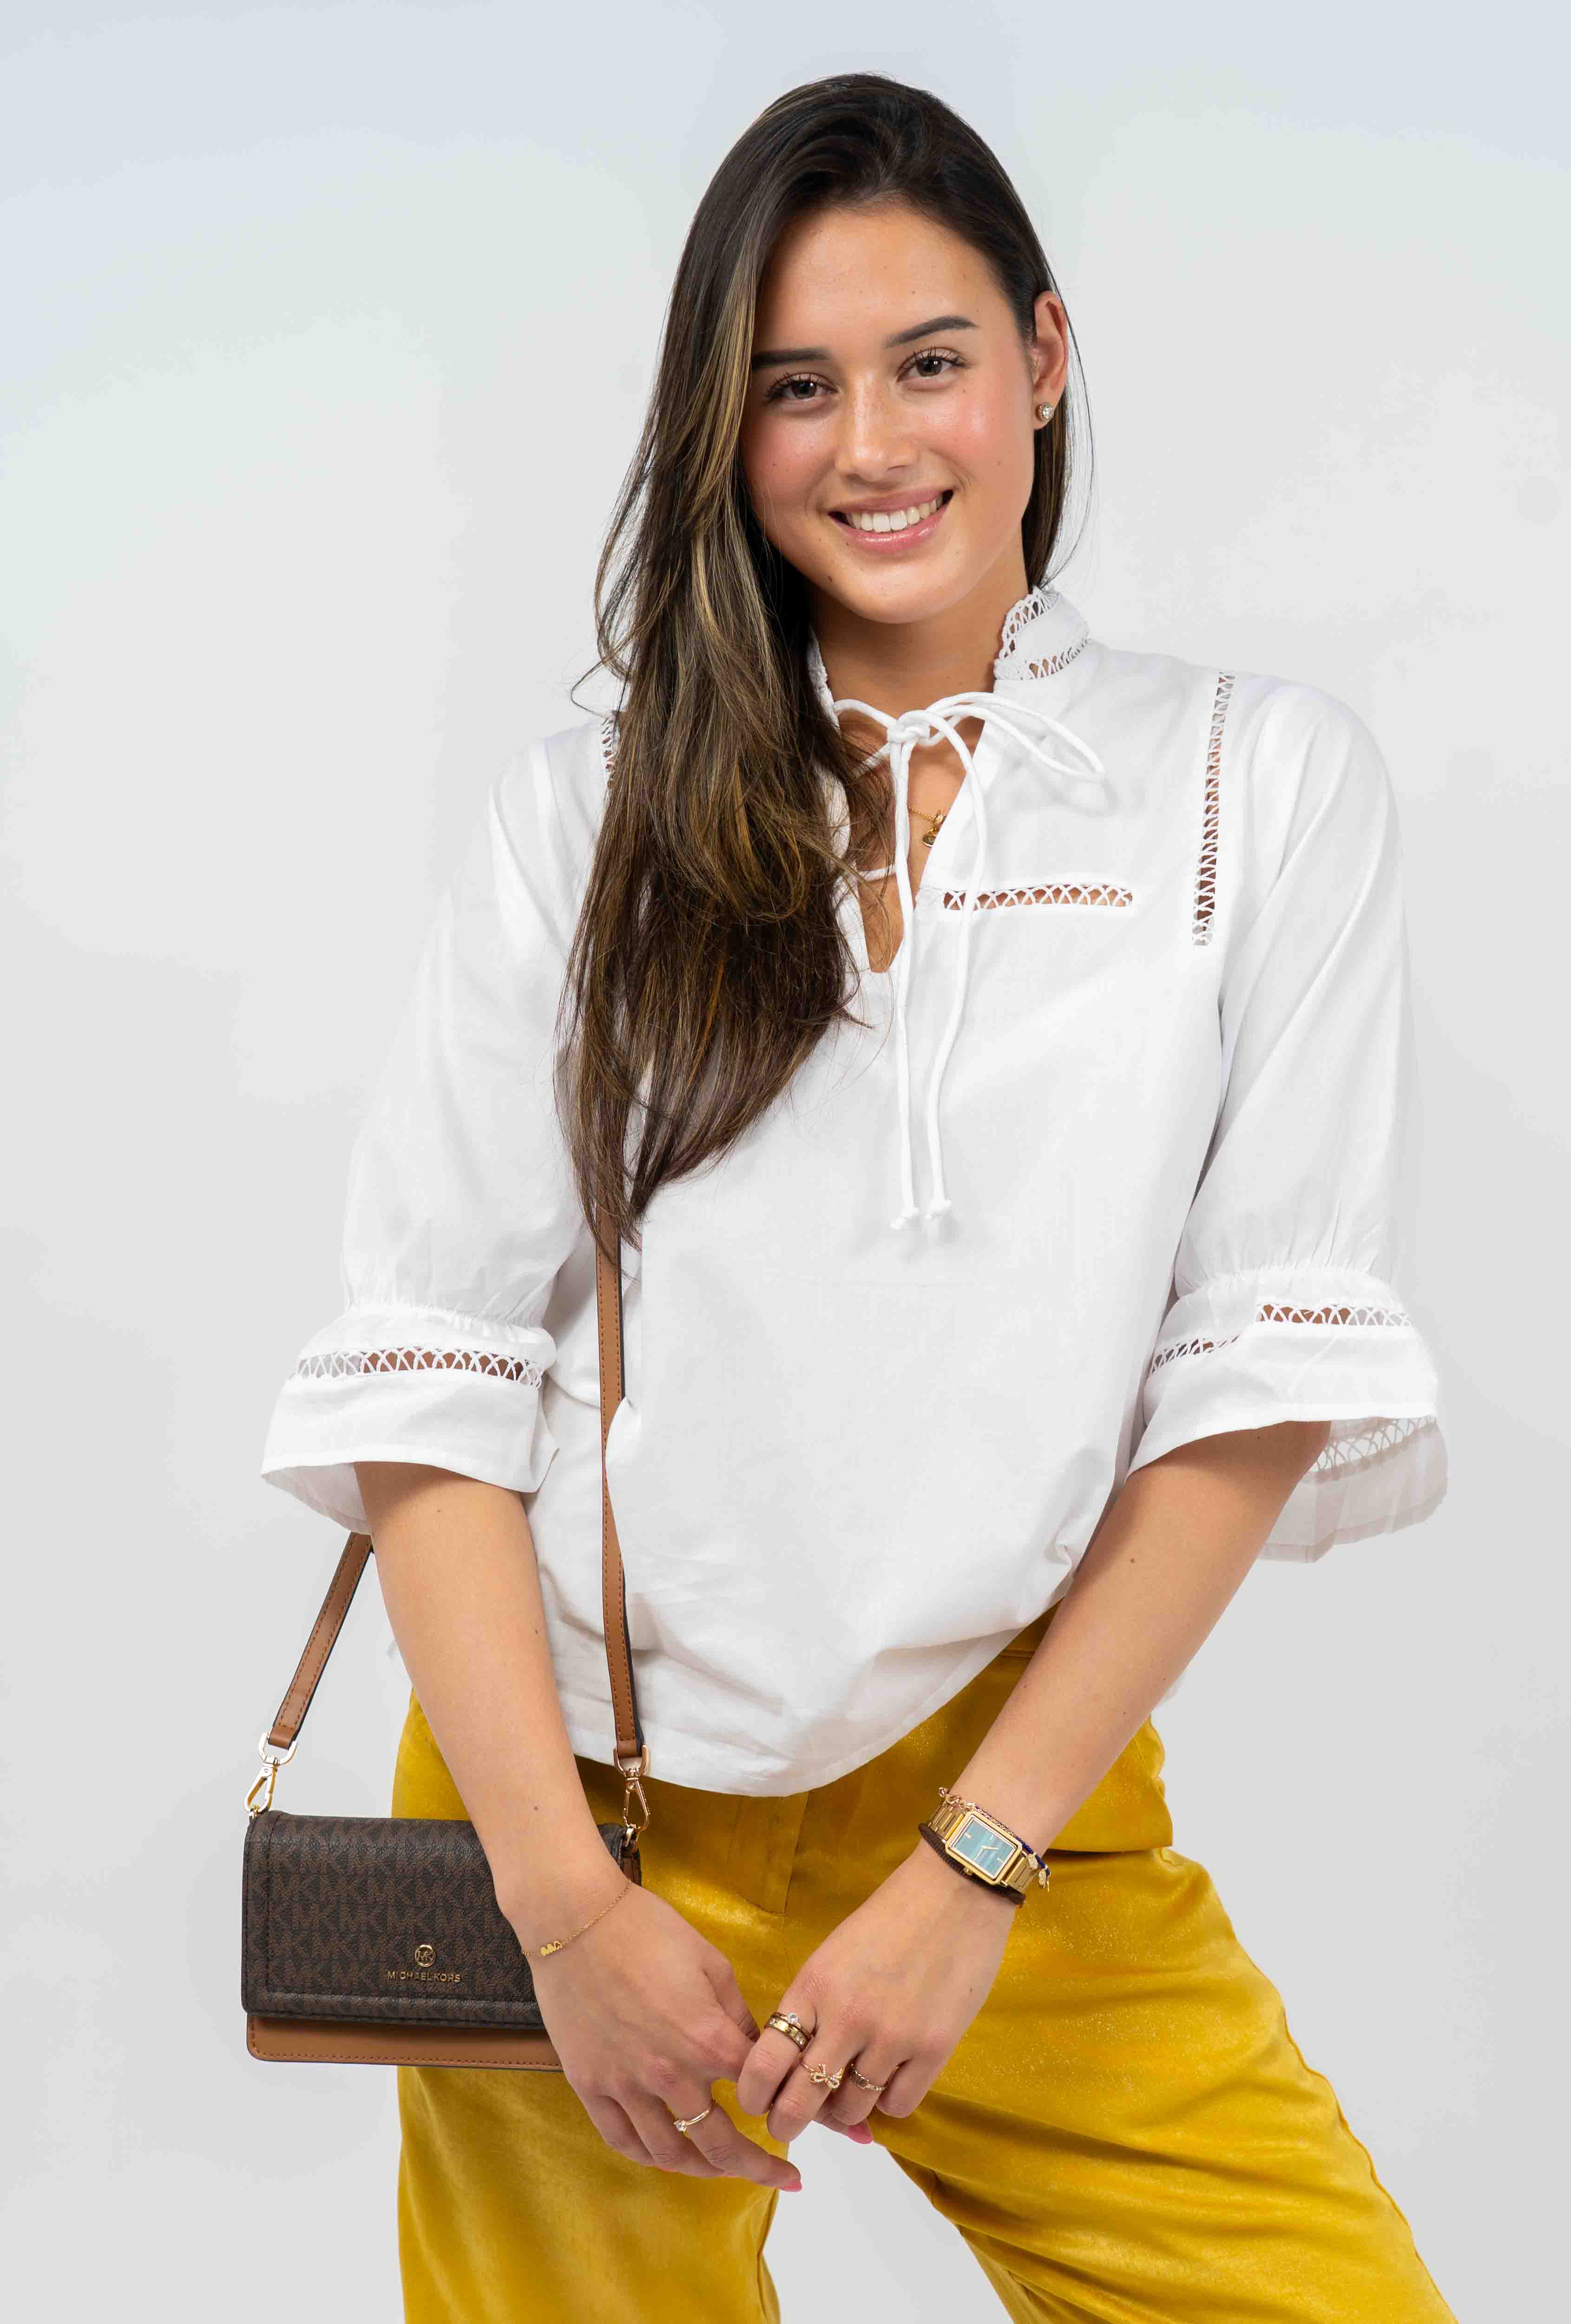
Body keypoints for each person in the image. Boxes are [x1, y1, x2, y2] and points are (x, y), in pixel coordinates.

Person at [259, 69, 1457, 2324]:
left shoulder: (1250, 787)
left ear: (1045, 357)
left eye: (928, 362)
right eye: (795, 386)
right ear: (726, 424)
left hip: (1011, 1783)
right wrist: (559, 1911)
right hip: (572, 1798)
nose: (870, 443)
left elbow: (1256, 1377)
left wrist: (976, 1861)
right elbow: (431, 1379)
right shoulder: (589, 816)